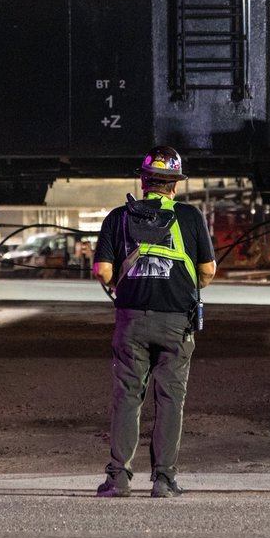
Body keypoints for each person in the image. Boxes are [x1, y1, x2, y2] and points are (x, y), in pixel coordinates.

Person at [92, 145, 217, 498]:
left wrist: (122, 283)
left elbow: (102, 271)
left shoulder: (118, 218)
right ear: (175, 184)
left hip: (131, 321)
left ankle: (118, 479)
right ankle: (163, 479)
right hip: (176, 323)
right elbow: (207, 271)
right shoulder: (190, 217)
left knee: (127, 397)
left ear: (144, 182)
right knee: (170, 399)